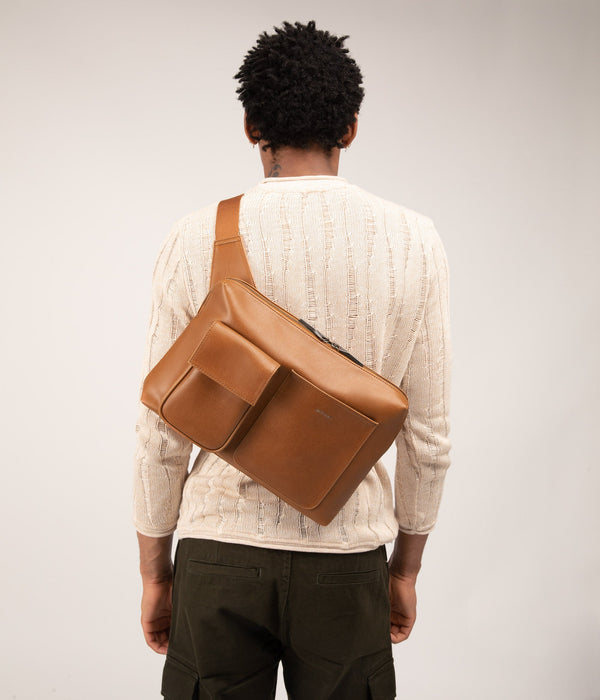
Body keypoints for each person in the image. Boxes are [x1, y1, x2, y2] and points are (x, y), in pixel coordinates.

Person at [133, 19, 452, 700]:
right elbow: (428, 437)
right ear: (351, 128)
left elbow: (160, 429)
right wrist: (404, 569)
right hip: (347, 560)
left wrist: (155, 571)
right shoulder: (415, 241)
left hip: (218, 557)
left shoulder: (194, 238)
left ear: (251, 127)